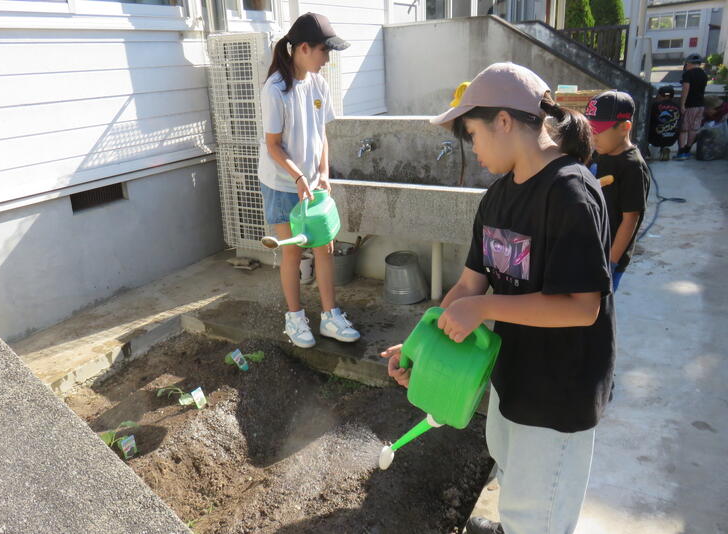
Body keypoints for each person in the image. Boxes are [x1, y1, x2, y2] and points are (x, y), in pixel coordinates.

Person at [381, 63, 615, 534]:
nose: (473, 149)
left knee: (539, 519)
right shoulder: (497, 197)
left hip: (558, 395)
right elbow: (470, 286)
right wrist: (421, 346)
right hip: (513, 380)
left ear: (504, 121)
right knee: (514, 487)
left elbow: (582, 305)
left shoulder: (570, 193)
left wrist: (484, 309)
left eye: (473, 134)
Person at [259, 12, 360, 348]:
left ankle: (330, 316)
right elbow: (273, 146)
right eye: (324, 51)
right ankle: (295, 318)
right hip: (283, 185)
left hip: (312, 184)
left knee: (325, 247)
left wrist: (324, 173)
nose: (327, 58)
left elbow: (322, 134)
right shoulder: (276, 89)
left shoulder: (318, 83)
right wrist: (300, 176)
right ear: (303, 48)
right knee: (292, 253)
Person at [585, 90, 650, 291]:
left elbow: (631, 219)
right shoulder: (599, 153)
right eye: (589, 130)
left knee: (597, 311)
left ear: (624, 127)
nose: (592, 137)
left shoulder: (632, 167)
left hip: (609, 256)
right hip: (589, 249)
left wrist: (610, 263)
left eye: (598, 131)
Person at [674, 53, 708, 160]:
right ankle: (688, 150)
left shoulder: (688, 74)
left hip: (690, 105)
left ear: (689, 63)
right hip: (700, 105)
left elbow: (686, 89)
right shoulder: (704, 74)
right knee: (693, 128)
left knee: (684, 128)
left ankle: (682, 151)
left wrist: (682, 104)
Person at [648, 85, 681, 161]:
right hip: (672, 138)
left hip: (655, 139)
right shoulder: (677, 106)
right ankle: (665, 149)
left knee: (647, 127)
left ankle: (651, 154)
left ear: (660, 95)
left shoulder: (655, 105)